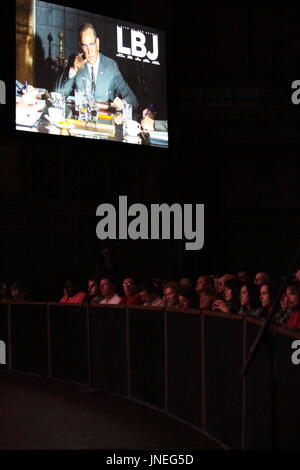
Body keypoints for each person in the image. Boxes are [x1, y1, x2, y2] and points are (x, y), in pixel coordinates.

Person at [55, 23, 138, 110]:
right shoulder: (76, 63)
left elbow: (132, 99)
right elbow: (58, 94)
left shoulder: (111, 66)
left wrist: (123, 103)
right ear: (80, 47)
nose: (89, 51)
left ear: (97, 43)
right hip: (82, 119)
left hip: (104, 119)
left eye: (91, 44)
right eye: (85, 46)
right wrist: (73, 69)